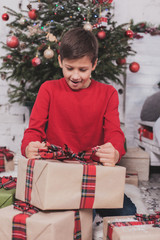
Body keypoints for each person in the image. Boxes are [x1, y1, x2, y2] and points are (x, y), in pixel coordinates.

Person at [21, 27, 136, 217]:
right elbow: (34, 130)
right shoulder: (48, 89)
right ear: (60, 61)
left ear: (94, 64)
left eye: (83, 69)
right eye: (69, 68)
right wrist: (28, 147)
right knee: (43, 210)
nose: (75, 76)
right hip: (57, 171)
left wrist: (114, 151)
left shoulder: (108, 94)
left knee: (127, 211)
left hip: (93, 174)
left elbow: (115, 133)